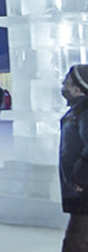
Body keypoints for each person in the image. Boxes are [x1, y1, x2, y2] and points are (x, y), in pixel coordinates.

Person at [60, 64, 88, 251]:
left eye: (67, 83)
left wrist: (80, 177)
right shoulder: (79, 110)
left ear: (78, 88)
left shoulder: (85, 111)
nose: (63, 86)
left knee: (76, 242)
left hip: (84, 193)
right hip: (80, 192)